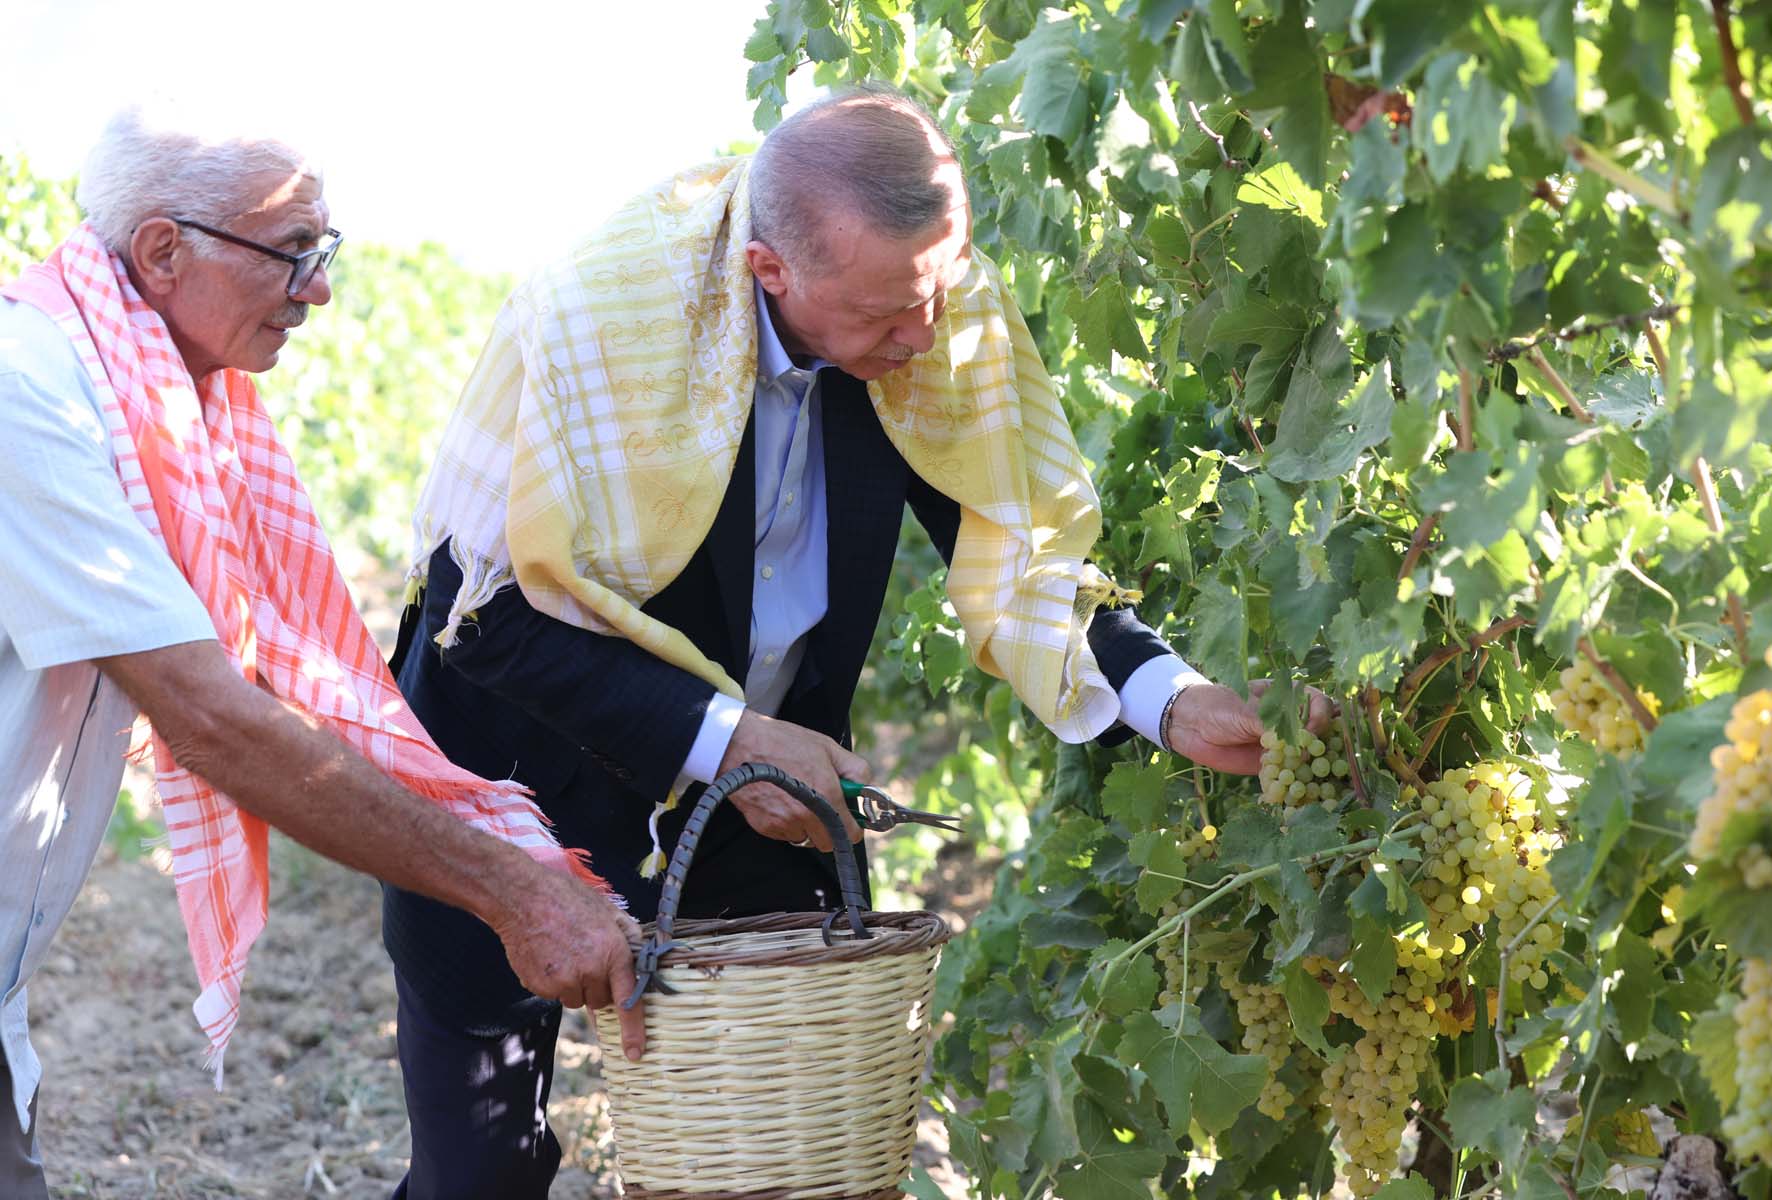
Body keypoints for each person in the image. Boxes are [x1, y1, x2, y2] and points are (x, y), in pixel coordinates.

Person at [387, 82, 1330, 1197]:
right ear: (769, 271)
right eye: (889, 314)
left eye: (936, 297)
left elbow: (1018, 544)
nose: (923, 335)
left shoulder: (925, 302)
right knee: (482, 1173)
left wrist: (1171, 698)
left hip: (760, 803)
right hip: (513, 789)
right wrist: (727, 742)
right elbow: (482, 620)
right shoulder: (597, 320)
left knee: (780, 1173)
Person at [0, 106, 645, 1200]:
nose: (321, 291)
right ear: (162, 252)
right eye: (294, 252)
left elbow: (266, 695)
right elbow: (214, 719)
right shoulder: (28, 395)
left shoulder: (155, 408)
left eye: (324, 251)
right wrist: (514, 893)